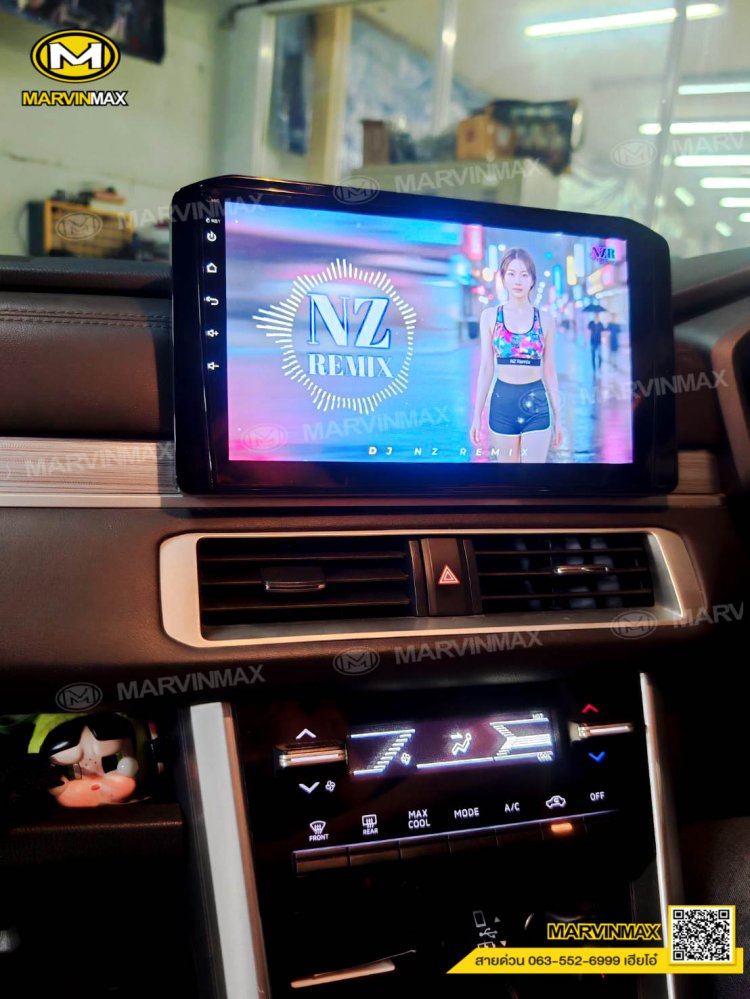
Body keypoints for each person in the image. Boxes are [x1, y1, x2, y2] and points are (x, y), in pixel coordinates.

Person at [471, 247, 561, 463]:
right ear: (503, 278)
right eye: (511, 274)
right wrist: (476, 415)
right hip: (502, 404)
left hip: (536, 404)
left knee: (533, 477)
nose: (518, 281)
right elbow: (486, 368)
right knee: (508, 477)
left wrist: (558, 417)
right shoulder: (490, 316)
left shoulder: (546, 320)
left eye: (524, 274)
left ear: (532, 280)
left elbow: (549, 370)